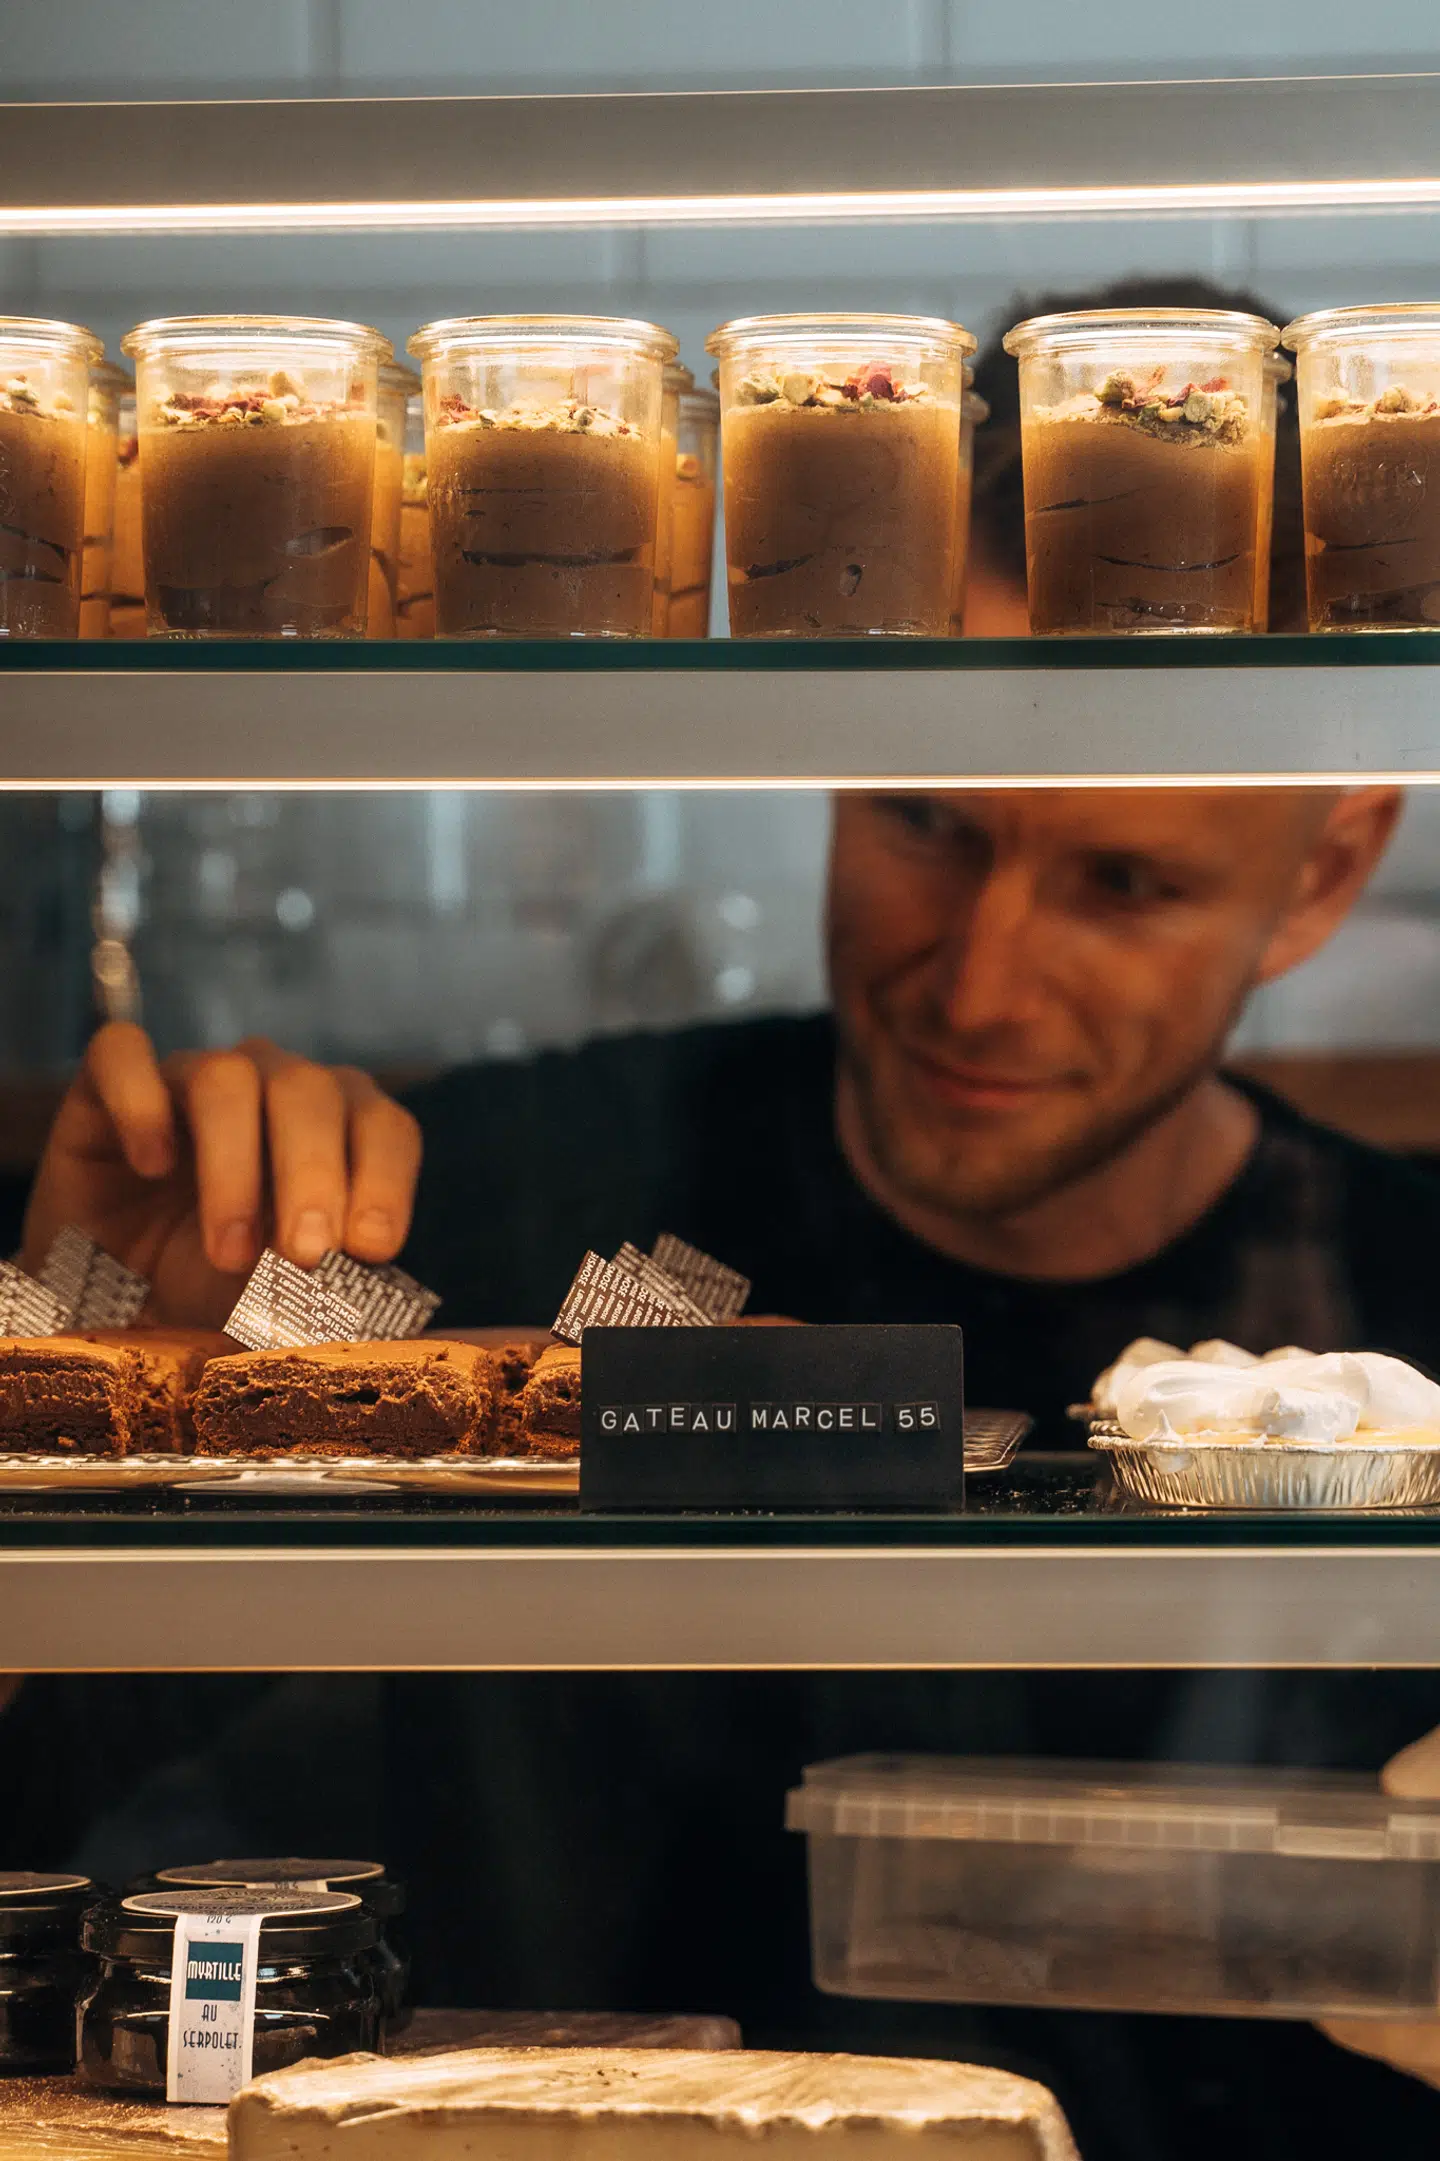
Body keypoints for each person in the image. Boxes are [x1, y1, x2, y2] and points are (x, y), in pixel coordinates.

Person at [11, 282, 1440, 2161]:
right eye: (926, 824)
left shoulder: (1406, 1293)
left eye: (1125, 883)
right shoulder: (479, 1207)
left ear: (1322, 873)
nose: (984, 986)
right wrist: (79, 1347)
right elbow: (41, 1794)